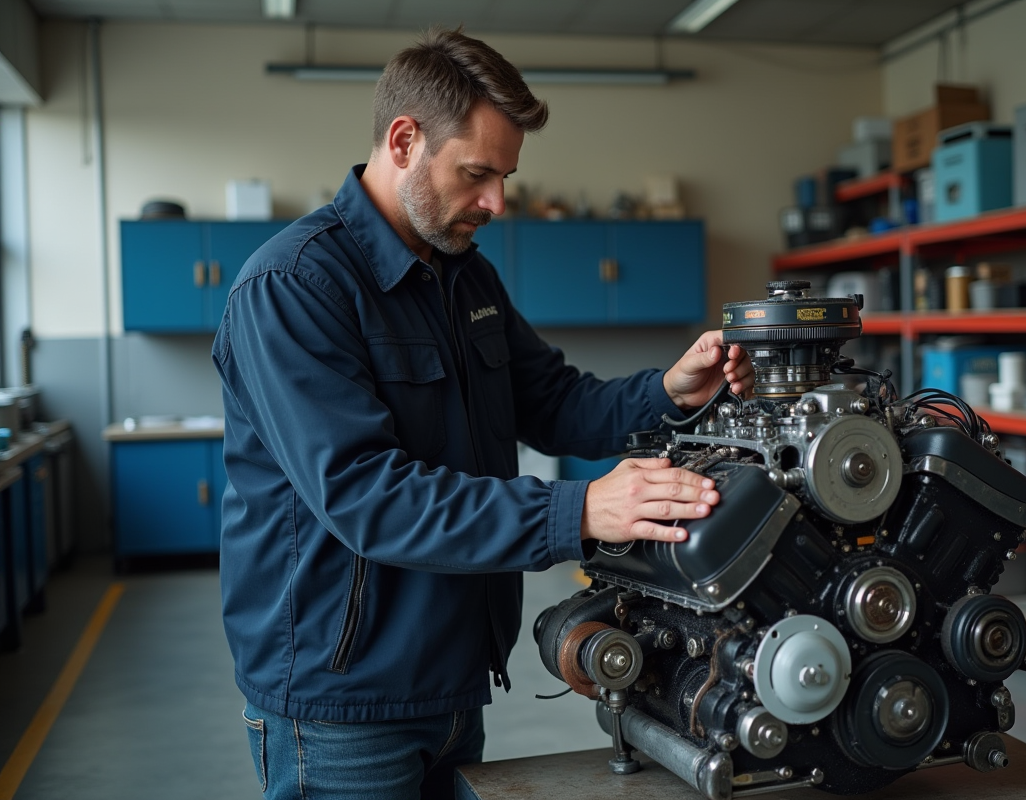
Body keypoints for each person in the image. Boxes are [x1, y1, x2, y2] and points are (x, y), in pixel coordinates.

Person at [213, 27, 752, 800]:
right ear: (404, 141)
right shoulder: (294, 288)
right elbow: (368, 498)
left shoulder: (463, 275)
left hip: (453, 678)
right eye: (477, 174)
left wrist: (670, 391)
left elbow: (555, 403)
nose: (497, 202)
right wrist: (583, 508)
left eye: (506, 176)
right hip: (341, 706)